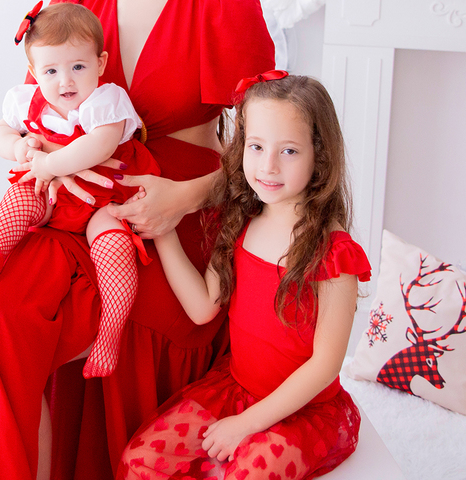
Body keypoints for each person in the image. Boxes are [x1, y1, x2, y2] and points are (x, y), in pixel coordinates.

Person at [0, 0, 275, 480]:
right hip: (76, 204)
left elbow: (268, 148)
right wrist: (31, 149)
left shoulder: (223, 0)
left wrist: (185, 198)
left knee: (140, 329)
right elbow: (35, 106)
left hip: (175, 206)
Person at [118, 72, 371, 479]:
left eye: (288, 151)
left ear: (319, 157)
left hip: (303, 412)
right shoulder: (241, 221)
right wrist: (163, 232)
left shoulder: (333, 252)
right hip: (235, 389)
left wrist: (247, 425)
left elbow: (325, 365)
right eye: (256, 146)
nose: (267, 166)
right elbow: (203, 307)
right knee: (141, 458)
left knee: (247, 473)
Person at [0, 1, 160, 379]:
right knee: (21, 196)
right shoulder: (27, 100)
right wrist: (17, 147)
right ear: (33, 72)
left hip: (105, 198)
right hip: (55, 197)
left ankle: (110, 331)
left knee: (114, 247)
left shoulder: (105, 101)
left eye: (78, 67)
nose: (66, 82)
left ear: (100, 63)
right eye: (51, 70)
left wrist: (47, 163)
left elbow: (100, 147)